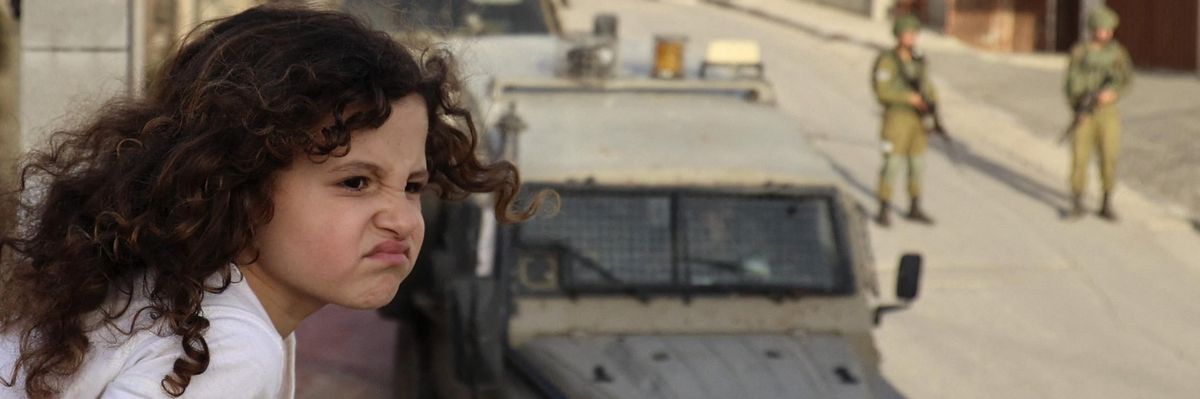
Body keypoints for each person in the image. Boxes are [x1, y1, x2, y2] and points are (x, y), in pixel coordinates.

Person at [0, 5, 542, 398]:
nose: (400, 219)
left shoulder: (181, 300)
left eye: (412, 186)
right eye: (355, 182)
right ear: (235, 183)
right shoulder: (229, 349)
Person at [1064, 6, 1132, 221]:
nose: (1104, 33)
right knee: (1079, 157)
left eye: (1108, 29)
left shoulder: (1118, 53)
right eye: (1101, 29)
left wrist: (1113, 94)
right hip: (1084, 112)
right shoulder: (1080, 52)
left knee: (1109, 156)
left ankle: (1106, 202)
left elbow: (1127, 80)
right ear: (1093, 29)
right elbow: (1069, 84)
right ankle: (1077, 201)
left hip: (1107, 112)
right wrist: (1077, 110)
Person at [871, 15, 938, 226]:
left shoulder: (919, 60)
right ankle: (883, 206)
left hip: (916, 120)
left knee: (917, 164)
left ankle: (915, 205)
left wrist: (932, 106)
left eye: (914, 34)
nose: (911, 38)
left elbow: (927, 85)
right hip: (896, 118)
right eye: (907, 34)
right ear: (899, 35)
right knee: (892, 164)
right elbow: (882, 91)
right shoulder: (888, 61)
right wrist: (908, 98)